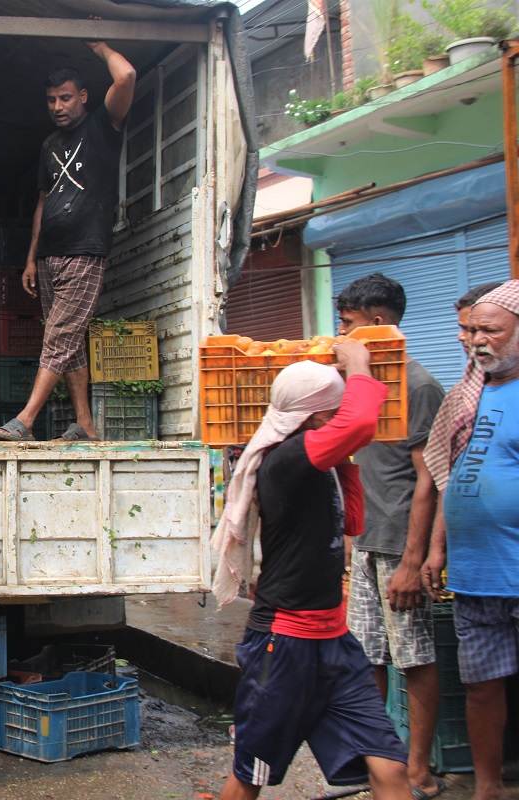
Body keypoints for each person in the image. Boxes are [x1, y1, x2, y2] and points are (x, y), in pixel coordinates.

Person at [211, 342, 410, 800]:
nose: (340, 416)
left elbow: (353, 522)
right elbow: (359, 422)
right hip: (283, 643)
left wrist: (346, 457)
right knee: (250, 776)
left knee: (390, 767)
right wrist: (360, 368)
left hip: (334, 641)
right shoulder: (286, 460)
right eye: (332, 409)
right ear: (310, 416)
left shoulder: (321, 461)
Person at [0, 39, 136, 442]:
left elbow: (126, 76)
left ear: (84, 96)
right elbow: (43, 202)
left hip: (86, 252)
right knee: (69, 344)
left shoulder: (104, 126)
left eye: (66, 98)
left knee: (57, 338)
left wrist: (101, 47)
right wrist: (32, 258)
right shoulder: (49, 145)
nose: (58, 107)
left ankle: (25, 420)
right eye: (52, 100)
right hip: (51, 255)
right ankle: (85, 424)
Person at [334, 274, 446, 800]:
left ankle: (419, 770)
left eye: (350, 324)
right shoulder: (365, 387)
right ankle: (382, 769)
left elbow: (430, 478)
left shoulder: (419, 386)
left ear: (378, 324)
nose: (341, 333)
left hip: (401, 544)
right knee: (367, 655)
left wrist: (414, 558)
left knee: (414, 656)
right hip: (369, 540)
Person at [421, 280, 519, 800]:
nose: (477, 340)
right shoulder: (466, 395)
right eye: (472, 330)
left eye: (491, 330)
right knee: (482, 687)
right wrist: (437, 548)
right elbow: (447, 477)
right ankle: (487, 787)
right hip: (476, 570)